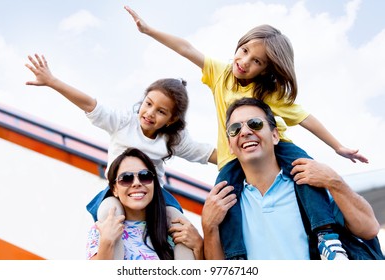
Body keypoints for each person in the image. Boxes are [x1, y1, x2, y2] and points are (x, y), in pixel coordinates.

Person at [124, 5, 369, 260]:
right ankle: (237, 259)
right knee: (223, 200)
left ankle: (326, 237)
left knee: (307, 173)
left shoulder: (268, 93)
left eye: (257, 62)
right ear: (239, 45)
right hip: (232, 157)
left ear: (266, 70)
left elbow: (306, 118)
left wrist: (337, 146)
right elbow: (186, 49)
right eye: (244, 51)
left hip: (278, 147)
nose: (244, 62)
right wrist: (149, 30)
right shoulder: (221, 74)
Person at [25, 54, 215, 260]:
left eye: (161, 111)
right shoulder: (124, 122)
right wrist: (52, 82)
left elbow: (205, 153)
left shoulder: (173, 139)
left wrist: (243, 149)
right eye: (148, 104)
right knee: (109, 215)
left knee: (180, 224)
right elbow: (91, 105)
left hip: (155, 193)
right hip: (117, 191)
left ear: (171, 120)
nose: (150, 113)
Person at [201, 97, 381, 260]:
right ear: (230, 146)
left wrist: (334, 181)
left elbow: (369, 228)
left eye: (255, 123)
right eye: (235, 129)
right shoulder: (225, 205)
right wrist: (208, 227)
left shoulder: (310, 184)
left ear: (275, 135)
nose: (245, 132)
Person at [86, 147, 203, 260]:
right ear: (114, 189)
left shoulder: (176, 231)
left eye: (145, 176)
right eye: (126, 178)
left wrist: (199, 245)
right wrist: (107, 241)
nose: (136, 183)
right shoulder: (101, 229)